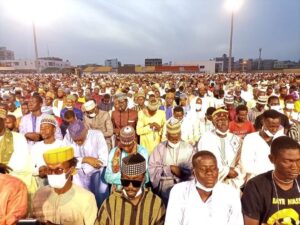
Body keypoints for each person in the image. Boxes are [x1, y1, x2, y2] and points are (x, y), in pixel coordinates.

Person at [165, 151, 243, 225]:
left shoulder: (230, 193)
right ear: (194, 172)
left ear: (218, 170)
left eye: (213, 168)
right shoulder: (179, 191)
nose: (209, 172)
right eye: (203, 169)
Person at [242, 136, 300, 225]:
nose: (295, 166)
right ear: (272, 159)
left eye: (298, 160)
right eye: (288, 161)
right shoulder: (255, 186)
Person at [32, 146, 98, 225]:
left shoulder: (86, 198)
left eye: (58, 170)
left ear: (72, 170)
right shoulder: (39, 195)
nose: (53, 174)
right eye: (49, 170)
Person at [95, 153, 165, 225]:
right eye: (126, 181)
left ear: (143, 179)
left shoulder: (156, 203)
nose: (130, 186)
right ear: (121, 178)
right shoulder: (110, 203)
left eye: (135, 182)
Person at [149, 118, 195, 206]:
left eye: (176, 137)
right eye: (172, 138)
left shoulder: (189, 148)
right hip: (165, 189)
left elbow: (194, 170)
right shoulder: (159, 148)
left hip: (184, 187)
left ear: (180, 134)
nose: (175, 140)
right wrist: (169, 169)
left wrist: (182, 172)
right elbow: (152, 169)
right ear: (166, 135)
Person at [64, 120, 109, 207]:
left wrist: (77, 162)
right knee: (82, 205)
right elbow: (66, 160)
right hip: (77, 177)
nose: (78, 143)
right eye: (75, 141)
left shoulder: (97, 135)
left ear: (86, 131)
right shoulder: (67, 137)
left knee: (101, 203)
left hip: (97, 174)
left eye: (80, 139)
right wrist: (86, 159)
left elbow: (103, 160)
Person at [197, 108, 243, 189]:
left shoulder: (236, 139)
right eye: (219, 120)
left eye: (225, 120)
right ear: (214, 123)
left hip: (233, 182)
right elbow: (204, 161)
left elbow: (241, 160)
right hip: (213, 182)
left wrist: (236, 172)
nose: (223, 122)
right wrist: (226, 172)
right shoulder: (206, 138)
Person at [241, 110, 285, 183]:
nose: (274, 129)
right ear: (263, 122)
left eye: (277, 127)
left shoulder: (283, 139)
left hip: (278, 181)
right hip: (256, 180)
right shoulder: (250, 138)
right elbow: (246, 165)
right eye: (271, 126)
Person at [105, 125, 149, 191]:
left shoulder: (142, 152)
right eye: (124, 145)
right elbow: (107, 177)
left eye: (129, 145)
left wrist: (122, 178)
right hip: (117, 191)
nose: (126, 148)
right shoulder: (114, 152)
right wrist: (132, 178)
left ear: (133, 141)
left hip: (137, 190)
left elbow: (146, 177)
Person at [30, 115, 64, 188]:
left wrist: (53, 170)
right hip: (41, 183)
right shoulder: (35, 147)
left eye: (47, 127)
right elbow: (30, 167)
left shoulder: (62, 145)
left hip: (59, 182)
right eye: (41, 128)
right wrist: (39, 170)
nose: (43, 130)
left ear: (54, 129)